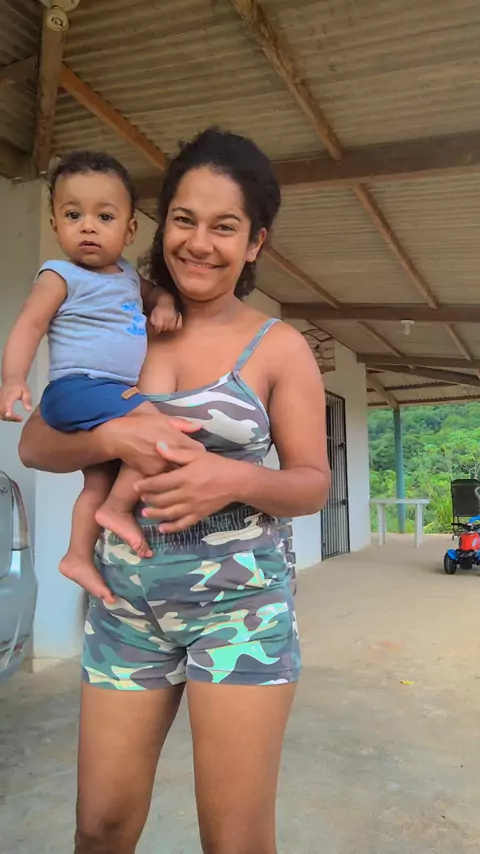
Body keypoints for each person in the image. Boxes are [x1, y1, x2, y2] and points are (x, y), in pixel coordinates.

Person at [19, 128, 331, 854]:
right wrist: (114, 440)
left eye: (225, 227)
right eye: (184, 220)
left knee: (234, 841)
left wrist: (236, 478)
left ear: (254, 243)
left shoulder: (279, 347)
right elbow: (36, 444)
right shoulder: (123, 323)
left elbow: (313, 483)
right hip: (124, 610)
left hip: (239, 613)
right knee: (99, 827)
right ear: (160, 228)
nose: (199, 243)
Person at [0, 151, 181, 605]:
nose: (88, 227)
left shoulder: (127, 276)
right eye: (73, 215)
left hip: (103, 394)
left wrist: (163, 303)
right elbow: (29, 326)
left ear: (129, 230)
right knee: (158, 431)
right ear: (54, 224)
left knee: (98, 479)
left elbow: (156, 293)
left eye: (104, 216)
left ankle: (77, 554)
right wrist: (13, 378)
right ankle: (118, 509)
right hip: (79, 387)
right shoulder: (59, 275)